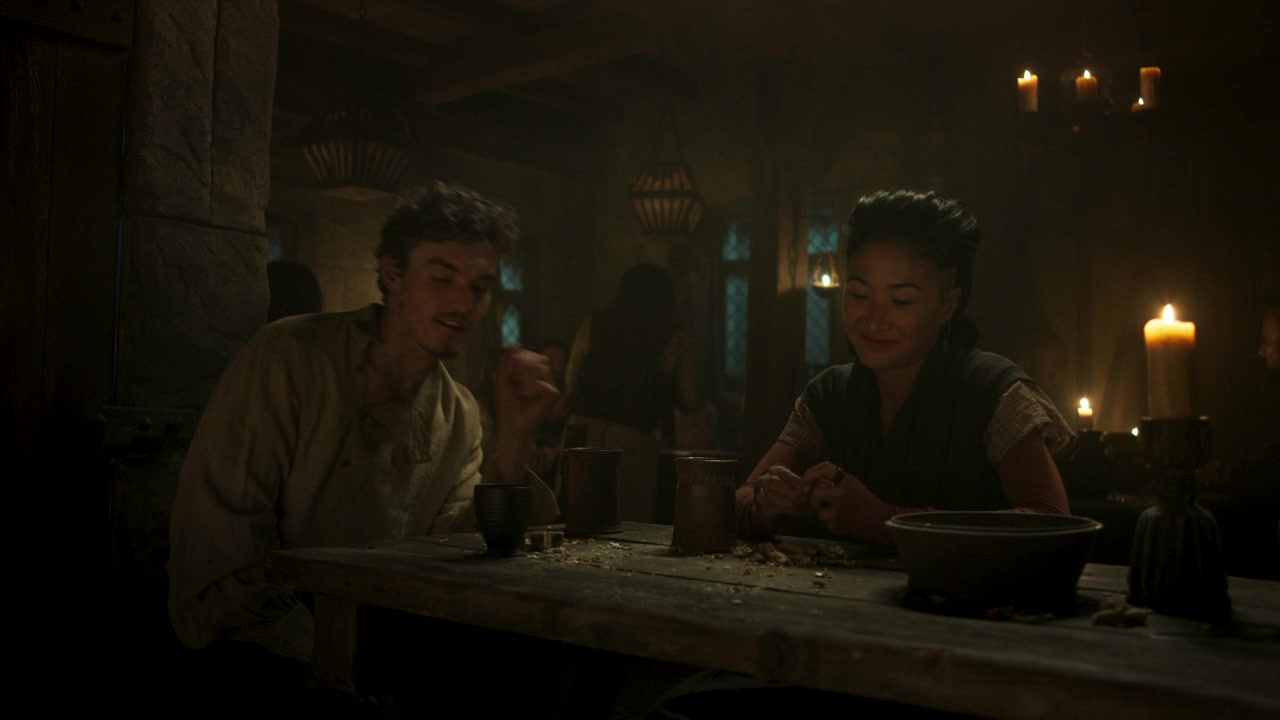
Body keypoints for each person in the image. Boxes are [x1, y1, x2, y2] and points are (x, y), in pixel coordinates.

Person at [167, 181, 563, 713]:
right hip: (257, 656)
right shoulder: (288, 358)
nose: (463, 304)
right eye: (441, 278)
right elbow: (223, 551)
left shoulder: (459, 414)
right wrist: (337, 663)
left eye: (480, 286)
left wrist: (515, 434)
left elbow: (462, 554)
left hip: (385, 658)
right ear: (393, 274)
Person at [736, 189, 1073, 545]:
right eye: (859, 294)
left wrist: (885, 520)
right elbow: (742, 499)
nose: (874, 320)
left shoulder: (993, 391)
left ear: (949, 304)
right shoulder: (829, 395)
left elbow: (1052, 523)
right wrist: (767, 502)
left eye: (902, 301)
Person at [563, 263, 704, 522]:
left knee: (578, 515)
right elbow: (692, 398)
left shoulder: (594, 324)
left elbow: (571, 381)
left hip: (582, 433)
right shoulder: (674, 338)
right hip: (632, 441)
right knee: (626, 520)